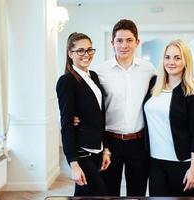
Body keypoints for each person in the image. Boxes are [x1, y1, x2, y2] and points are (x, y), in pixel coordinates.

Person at [96, 19, 155, 196]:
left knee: (137, 194)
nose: (124, 45)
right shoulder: (100, 71)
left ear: (137, 42)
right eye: (119, 40)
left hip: (139, 142)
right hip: (110, 142)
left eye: (129, 40)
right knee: (109, 193)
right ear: (112, 42)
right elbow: (88, 103)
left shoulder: (149, 70)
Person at [143, 39, 194, 197]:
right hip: (155, 162)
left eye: (177, 58)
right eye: (167, 57)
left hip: (182, 164)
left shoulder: (193, 92)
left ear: (186, 61)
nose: (171, 62)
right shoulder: (153, 84)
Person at [56, 32, 111, 196]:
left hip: (97, 150)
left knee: (84, 195)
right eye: (80, 51)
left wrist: (105, 148)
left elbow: (100, 115)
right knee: (100, 194)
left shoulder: (92, 76)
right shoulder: (66, 81)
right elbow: (66, 125)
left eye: (89, 50)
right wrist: (73, 164)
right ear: (70, 53)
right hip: (82, 153)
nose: (86, 55)